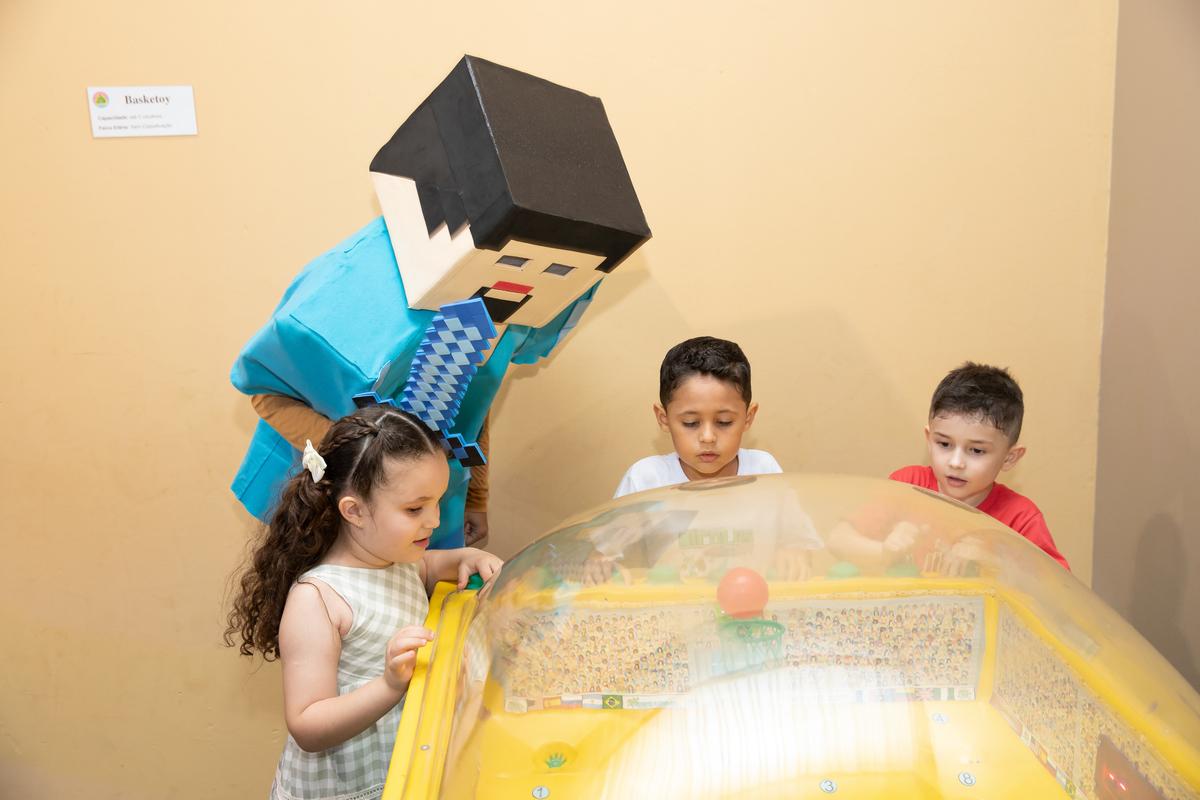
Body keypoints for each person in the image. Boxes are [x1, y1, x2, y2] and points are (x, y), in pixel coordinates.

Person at [225, 404, 503, 800]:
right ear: (354, 511)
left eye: (438, 502)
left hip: (402, 771)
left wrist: (465, 557)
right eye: (415, 508)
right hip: (345, 789)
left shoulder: (396, 558)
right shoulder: (318, 600)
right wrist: (389, 685)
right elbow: (307, 724)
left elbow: (425, 569)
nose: (434, 520)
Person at [833, 363, 1069, 571]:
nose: (955, 463)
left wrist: (994, 562)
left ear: (1009, 458)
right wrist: (884, 551)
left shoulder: (1021, 517)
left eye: (976, 450)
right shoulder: (908, 485)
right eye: (944, 444)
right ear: (929, 439)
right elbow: (838, 540)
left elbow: (1058, 590)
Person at [614, 336, 782, 497]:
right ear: (664, 419)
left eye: (724, 422)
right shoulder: (645, 480)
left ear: (748, 418)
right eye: (690, 423)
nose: (708, 438)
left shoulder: (763, 471)